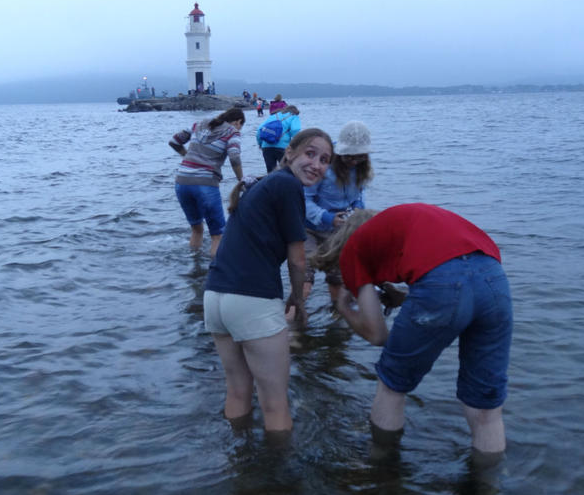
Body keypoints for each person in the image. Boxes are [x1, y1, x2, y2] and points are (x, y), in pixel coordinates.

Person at [311, 204, 512, 453]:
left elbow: (378, 335)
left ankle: (381, 467)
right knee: (486, 405)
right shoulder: (406, 223)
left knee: (392, 385)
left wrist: (343, 306)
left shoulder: (354, 247)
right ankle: (488, 485)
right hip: (494, 278)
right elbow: (462, 278)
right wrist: (406, 298)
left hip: (443, 281)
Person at [204, 129, 334, 431]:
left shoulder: (263, 185)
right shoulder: (288, 187)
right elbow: (298, 257)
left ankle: (239, 462)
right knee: (275, 404)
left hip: (215, 297)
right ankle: (279, 475)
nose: (316, 164)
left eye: (325, 160)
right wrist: (298, 300)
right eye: (310, 154)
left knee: (237, 390)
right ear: (289, 153)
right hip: (252, 300)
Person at [303, 120, 374, 301]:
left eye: (359, 156)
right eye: (349, 156)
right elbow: (304, 198)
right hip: (308, 228)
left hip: (338, 231)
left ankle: (337, 321)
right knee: (304, 279)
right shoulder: (323, 165)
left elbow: (359, 195)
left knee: (337, 279)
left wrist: (358, 209)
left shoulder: (361, 170)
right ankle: (295, 323)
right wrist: (326, 217)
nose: (354, 161)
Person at [169, 108, 245, 257]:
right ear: (238, 122)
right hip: (205, 183)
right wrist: (241, 180)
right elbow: (234, 157)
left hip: (182, 182)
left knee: (197, 230)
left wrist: (186, 157)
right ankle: (214, 276)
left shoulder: (199, 123)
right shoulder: (232, 132)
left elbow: (174, 141)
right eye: (241, 126)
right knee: (217, 235)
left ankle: (196, 268)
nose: (239, 129)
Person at [256, 105, 302, 173]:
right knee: (287, 171)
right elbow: (295, 130)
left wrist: (260, 144)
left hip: (266, 147)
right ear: (295, 112)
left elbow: (259, 131)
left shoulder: (273, 116)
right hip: (283, 147)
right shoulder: (294, 116)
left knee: (270, 172)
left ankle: (270, 183)